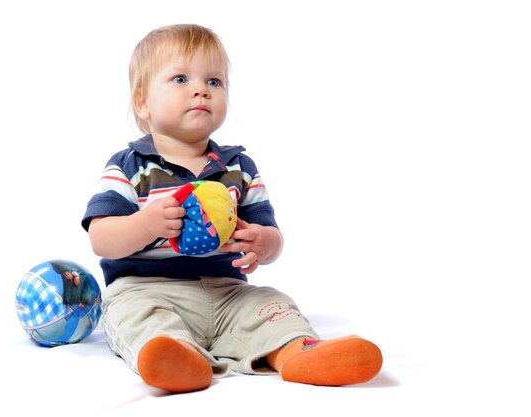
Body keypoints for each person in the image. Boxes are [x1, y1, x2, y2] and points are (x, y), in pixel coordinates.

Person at [81, 23, 382, 393]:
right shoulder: (130, 166)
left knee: (271, 303)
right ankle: (176, 358)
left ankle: (297, 352)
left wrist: (261, 242)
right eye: (180, 79)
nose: (200, 90)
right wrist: (146, 224)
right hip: (148, 289)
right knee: (133, 316)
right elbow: (101, 238)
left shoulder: (238, 168)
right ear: (143, 102)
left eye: (214, 82)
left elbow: (272, 238)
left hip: (226, 291)